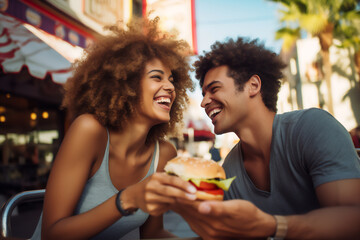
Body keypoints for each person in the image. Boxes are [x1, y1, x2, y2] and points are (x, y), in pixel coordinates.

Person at [172, 37, 360, 239]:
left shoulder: (313, 128)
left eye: (214, 89)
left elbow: (353, 219)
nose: (203, 102)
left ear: (253, 85)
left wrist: (274, 226)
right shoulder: (229, 170)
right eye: (203, 94)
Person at [31, 17, 197, 240]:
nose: (170, 87)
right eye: (156, 77)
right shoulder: (89, 131)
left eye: (172, 80)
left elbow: (153, 234)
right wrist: (126, 199)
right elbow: (52, 234)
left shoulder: (165, 154)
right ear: (125, 83)